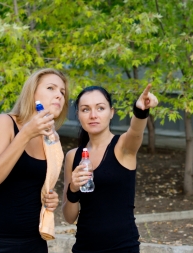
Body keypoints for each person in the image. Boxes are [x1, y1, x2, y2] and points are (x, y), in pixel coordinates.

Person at [0, 68, 70, 253]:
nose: (59, 95)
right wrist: (26, 134)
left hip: (34, 241)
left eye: (62, 92)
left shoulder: (51, 139)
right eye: (51, 88)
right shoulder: (4, 123)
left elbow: (30, 183)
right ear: (32, 93)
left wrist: (49, 198)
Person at [62, 84, 158, 252]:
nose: (93, 115)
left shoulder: (123, 147)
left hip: (122, 247)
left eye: (100, 108)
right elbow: (69, 217)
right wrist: (73, 188)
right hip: (84, 247)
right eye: (85, 110)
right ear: (78, 115)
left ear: (111, 112)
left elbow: (136, 131)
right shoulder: (73, 156)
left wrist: (140, 111)